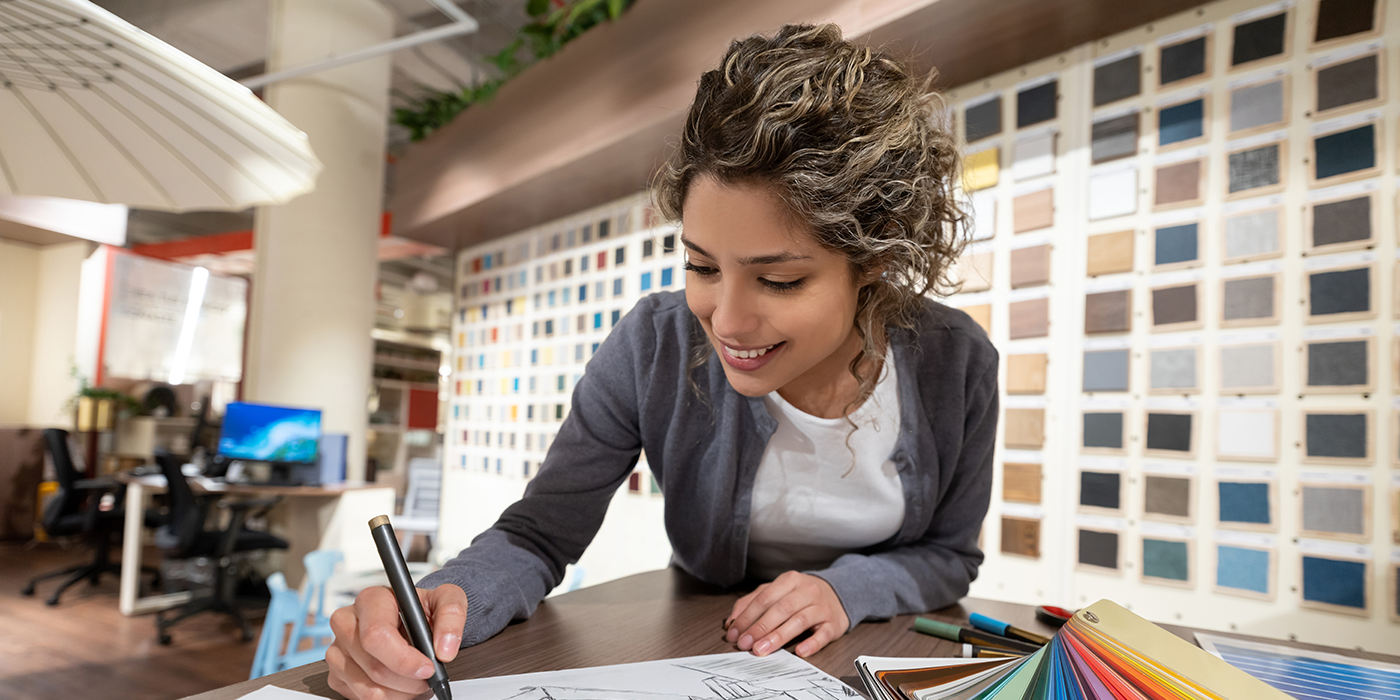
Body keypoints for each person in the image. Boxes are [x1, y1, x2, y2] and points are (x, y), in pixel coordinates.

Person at [326, 23, 998, 700]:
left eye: (781, 281)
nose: (727, 323)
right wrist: (443, 603)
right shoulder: (655, 344)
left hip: (882, 657)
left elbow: (948, 556)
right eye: (702, 266)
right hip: (712, 654)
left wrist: (845, 589)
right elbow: (538, 534)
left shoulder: (958, 362)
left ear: (873, 263)